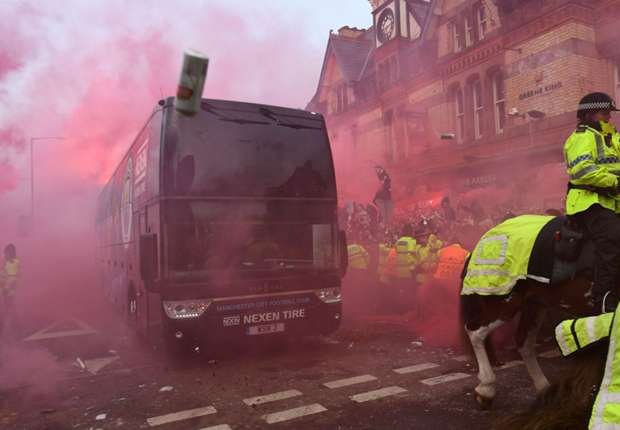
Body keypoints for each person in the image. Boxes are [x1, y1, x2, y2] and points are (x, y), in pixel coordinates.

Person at [564, 92, 620, 312]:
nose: (609, 117)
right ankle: (604, 300)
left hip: (612, 201)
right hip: (589, 201)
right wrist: (615, 182)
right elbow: (583, 171)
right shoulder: (581, 137)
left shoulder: (613, 137)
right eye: (604, 113)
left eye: (610, 114)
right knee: (614, 241)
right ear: (589, 115)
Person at [1, 243, 20, 335]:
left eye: (6, 253)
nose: (5, 255)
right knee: (9, 307)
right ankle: (12, 325)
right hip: (6, 289)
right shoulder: (6, 262)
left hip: (8, 290)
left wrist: (6, 288)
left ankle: (9, 328)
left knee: (8, 307)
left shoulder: (14, 263)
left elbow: (13, 277)